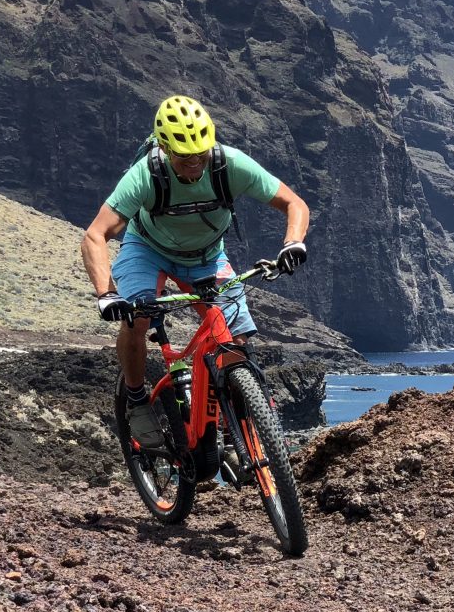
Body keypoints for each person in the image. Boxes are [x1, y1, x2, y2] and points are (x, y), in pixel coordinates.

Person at [81, 95, 310, 446]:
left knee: (235, 340)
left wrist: (293, 242)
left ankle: (235, 432)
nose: (194, 164)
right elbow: (96, 235)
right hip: (147, 251)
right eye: (183, 157)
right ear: (164, 147)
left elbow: (293, 203)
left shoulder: (230, 164)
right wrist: (107, 294)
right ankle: (138, 401)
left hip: (206, 255)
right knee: (137, 319)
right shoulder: (144, 175)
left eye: (200, 155)